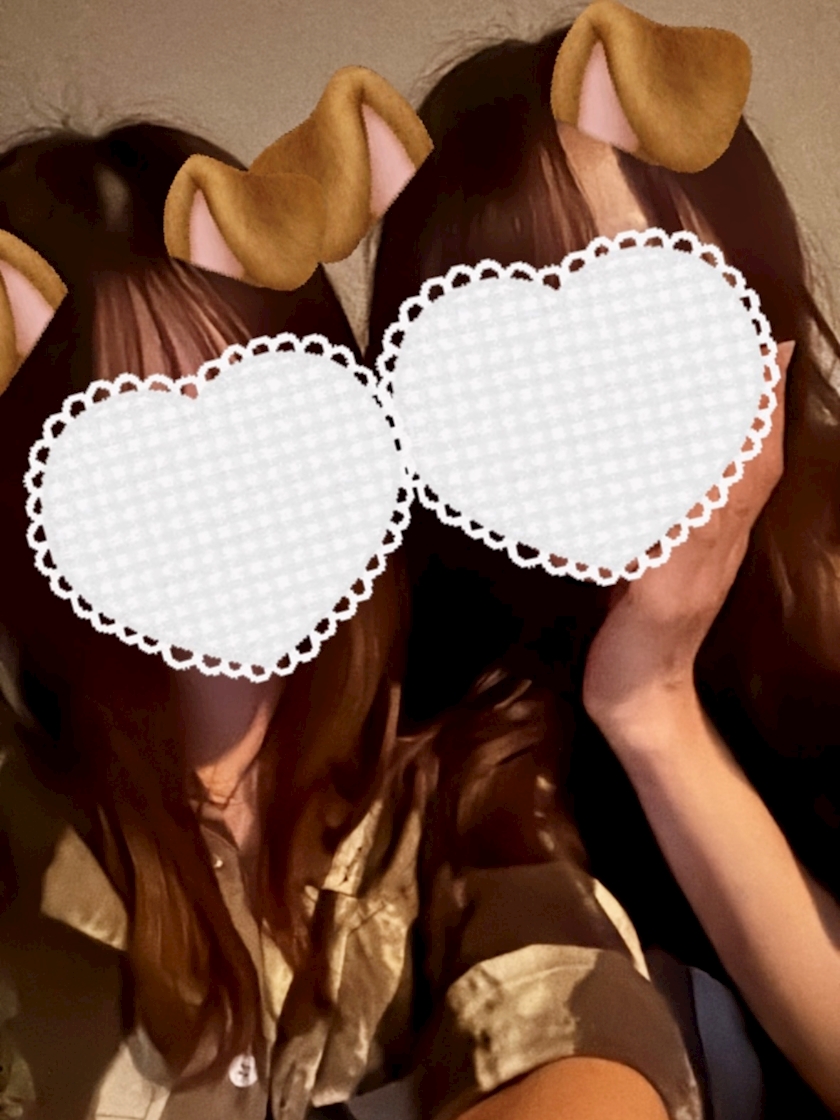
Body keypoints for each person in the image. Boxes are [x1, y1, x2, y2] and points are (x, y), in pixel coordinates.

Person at [0, 81, 699, 1120]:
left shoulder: (450, 791)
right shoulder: (27, 840)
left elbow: (582, 1027)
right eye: (129, 464)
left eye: (271, 423)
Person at [367, 9, 840, 1118]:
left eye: (643, 311)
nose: (582, 403)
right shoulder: (442, 677)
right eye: (498, 353)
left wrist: (655, 703)